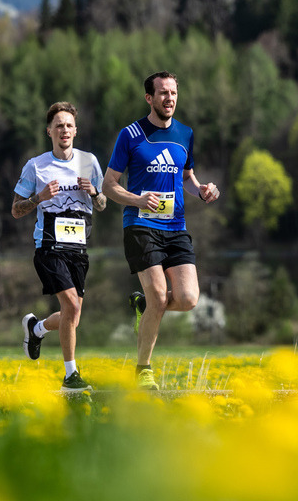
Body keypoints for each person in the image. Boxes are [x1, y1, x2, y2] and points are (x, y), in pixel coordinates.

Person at [102, 71, 220, 390]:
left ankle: (145, 306)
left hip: (176, 228)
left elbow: (187, 179)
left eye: (173, 93)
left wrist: (204, 190)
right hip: (140, 225)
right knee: (158, 295)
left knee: (188, 298)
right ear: (149, 98)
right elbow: (108, 185)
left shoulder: (185, 134)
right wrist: (138, 199)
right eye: (163, 93)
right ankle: (143, 369)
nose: (169, 98)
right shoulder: (130, 135)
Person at [12, 102, 107, 393]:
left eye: (69, 125)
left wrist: (93, 191)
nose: (64, 130)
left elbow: (103, 204)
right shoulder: (37, 165)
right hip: (48, 247)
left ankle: (36, 329)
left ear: (75, 131)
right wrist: (39, 197)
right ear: (49, 131)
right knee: (71, 305)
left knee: (73, 316)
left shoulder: (88, 162)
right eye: (59, 125)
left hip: (78, 249)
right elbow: (16, 209)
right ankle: (70, 376)